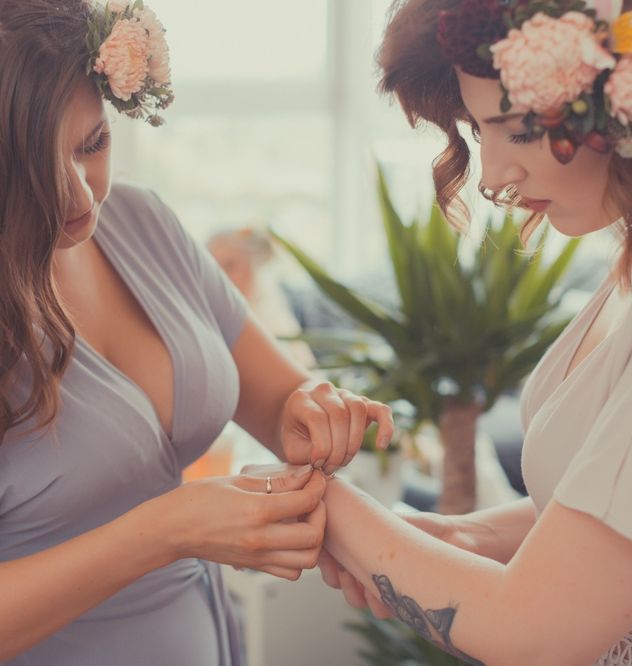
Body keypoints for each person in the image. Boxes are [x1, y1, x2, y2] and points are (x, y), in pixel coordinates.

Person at [316, 1, 632, 664]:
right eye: (481, 133)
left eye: (515, 128)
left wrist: (326, 508)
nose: (491, 176)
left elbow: (534, 632)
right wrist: (468, 536)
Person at [0, 1, 393, 664]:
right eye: (34, 170)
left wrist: (311, 412)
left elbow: (276, 398)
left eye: (92, 144)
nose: (79, 197)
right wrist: (165, 531)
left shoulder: (141, 221)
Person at [207, 227, 317, 369]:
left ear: (255, 266)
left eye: (230, 266)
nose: (220, 276)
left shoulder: (274, 324)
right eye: (213, 267)